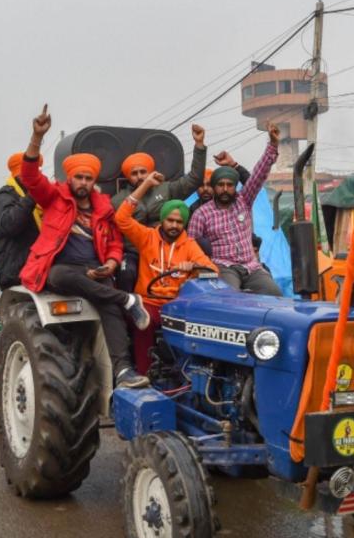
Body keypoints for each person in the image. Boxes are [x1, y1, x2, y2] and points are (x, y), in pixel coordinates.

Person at [18, 104, 151, 389]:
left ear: (94, 181)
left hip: (95, 269)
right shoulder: (54, 197)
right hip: (63, 268)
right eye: (79, 177)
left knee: (109, 304)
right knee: (61, 277)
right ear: (70, 178)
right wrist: (37, 137)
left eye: (88, 178)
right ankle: (127, 301)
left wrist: (112, 264)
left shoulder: (104, 207)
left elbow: (115, 243)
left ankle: (123, 370)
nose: (83, 182)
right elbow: (29, 177)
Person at [115, 171, 213, 373]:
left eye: (179, 222)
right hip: (148, 303)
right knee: (144, 322)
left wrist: (193, 267)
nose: (174, 225)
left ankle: (188, 375)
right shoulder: (147, 237)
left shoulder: (190, 244)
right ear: (163, 220)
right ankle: (144, 375)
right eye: (170, 220)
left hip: (176, 306)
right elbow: (121, 218)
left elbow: (212, 270)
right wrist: (145, 186)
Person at [188, 123, 282, 296]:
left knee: (274, 293)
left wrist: (273, 145)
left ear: (235, 186)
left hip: (251, 266)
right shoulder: (201, 214)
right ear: (214, 187)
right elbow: (190, 245)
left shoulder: (243, 201)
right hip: (223, 266)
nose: (225, 189)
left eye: (229, 185)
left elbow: (259, 175)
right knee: (229, 298)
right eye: (220, 185)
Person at [111, 125, 207, 291]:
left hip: (165, 249)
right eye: (134, 173)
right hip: (133, 251)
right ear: (128, 176)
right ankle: (127, 312)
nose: (140, 176)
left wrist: (199, 146)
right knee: (126, 273)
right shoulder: (119, 199)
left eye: (143, 172)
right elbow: (117, 225)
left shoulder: (166, 188)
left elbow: (194, 179)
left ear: (150, 172)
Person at [0, 152, 43, 288]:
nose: (38, 177)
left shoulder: (38, 198)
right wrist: (32, 196)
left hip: (36, 269)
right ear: (20, 174)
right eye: (32, 172)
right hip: (14, 275)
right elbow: (10, 225)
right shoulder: (3, 197)